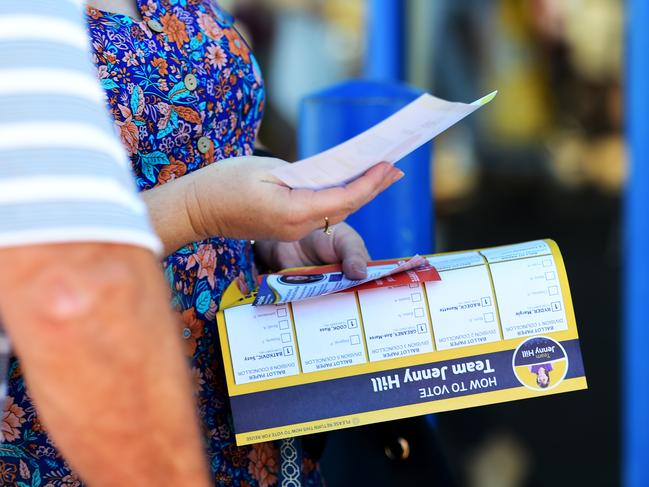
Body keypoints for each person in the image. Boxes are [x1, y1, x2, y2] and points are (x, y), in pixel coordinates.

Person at [1, 0, 402, 485]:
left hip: (246, 411)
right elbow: (40, 246)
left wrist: (270, 234)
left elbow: (201, 135)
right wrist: (198, 209)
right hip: (95, 425)